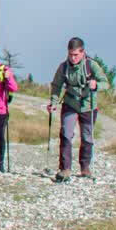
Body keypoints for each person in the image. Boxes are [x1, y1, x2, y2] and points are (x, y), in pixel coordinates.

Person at [46, 37, 110, 181]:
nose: (73, 58)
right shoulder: (63, 67)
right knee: (66, 134)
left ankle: (85, 167)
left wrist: (96, 85)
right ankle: (65, 169)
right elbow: (56, 85)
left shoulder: (91, 65)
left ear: (82, 53)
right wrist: (53, 102)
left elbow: (105, 83)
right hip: (70, 104)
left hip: (88, 106)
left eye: (76, 55)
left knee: (87, 138)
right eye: (70, 54)